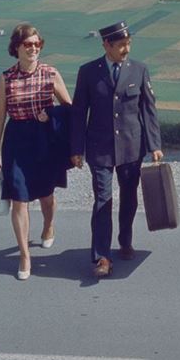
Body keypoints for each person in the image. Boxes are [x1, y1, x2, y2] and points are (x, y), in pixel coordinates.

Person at [69, 20, 163, 279]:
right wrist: (76, 148)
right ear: (106, 45)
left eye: (128, 43)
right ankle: (102, 256)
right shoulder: (88, 72)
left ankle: (124, 239)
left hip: (132, 147)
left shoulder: (139, 70)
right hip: (99, 148)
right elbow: (79, 113)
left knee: (129, 197)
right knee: (103, 199)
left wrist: (155, 146)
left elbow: (148, 110)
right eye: (121, 45)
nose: (126, 49)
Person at [0, 23, 72, 281]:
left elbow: (70, 108)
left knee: (46, 196)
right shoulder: (6, 78)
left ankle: (48, 226)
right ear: (16, 48)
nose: (34, 48)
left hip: (44, 139)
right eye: (28, 44)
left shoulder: (50, 73)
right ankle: (25, 254)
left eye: (37, 44)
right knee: (19, 199)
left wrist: (51, 115)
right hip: (16, 140)